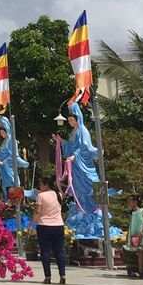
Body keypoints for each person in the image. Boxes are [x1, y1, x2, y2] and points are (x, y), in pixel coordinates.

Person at [59, 102, 101, 238]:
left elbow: (84, 148)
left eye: (72, 120)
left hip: (83, 166)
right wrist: (62, 142)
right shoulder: (73, 132)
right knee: (78, 190)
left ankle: (92, 214)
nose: (70, 122)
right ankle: (81, 210)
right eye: (69, 120)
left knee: (89, 188)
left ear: (78, 119)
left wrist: (74, 156)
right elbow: (71, 147)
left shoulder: (83, 131)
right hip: (76, 168)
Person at [31, 175, 68, 285]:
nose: (40, 186)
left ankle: (48, 276)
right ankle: (63, 275)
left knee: (45, 251)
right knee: (59, 251)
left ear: (46, 185)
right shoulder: (59, 195)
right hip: (58, 225)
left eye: (41, 184)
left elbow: (37, 212)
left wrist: (31, 225)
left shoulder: (41, 196)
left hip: (44, 226)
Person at [0, 116, 27, 197]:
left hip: (9, 166)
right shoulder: (5, 141)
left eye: (2, 132)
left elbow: (13, 155)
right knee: (6, 184)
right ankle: (9, 201)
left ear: (7, 130)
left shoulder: (11, 141)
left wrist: (2, 162)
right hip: (4, 167)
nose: (1, 134)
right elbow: (2, 154)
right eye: (0, 133)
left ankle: (16, 202)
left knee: (13, 181)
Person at [125, 194, 143, 277]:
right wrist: (129, 235)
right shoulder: (132, 213)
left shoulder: (142, 211)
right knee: (140, 253)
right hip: (135, 234)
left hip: (142, 234)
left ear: (135, 201)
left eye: (131, 200)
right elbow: (131, 224)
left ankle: (141, 271)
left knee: (140, 252)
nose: (129, 202)